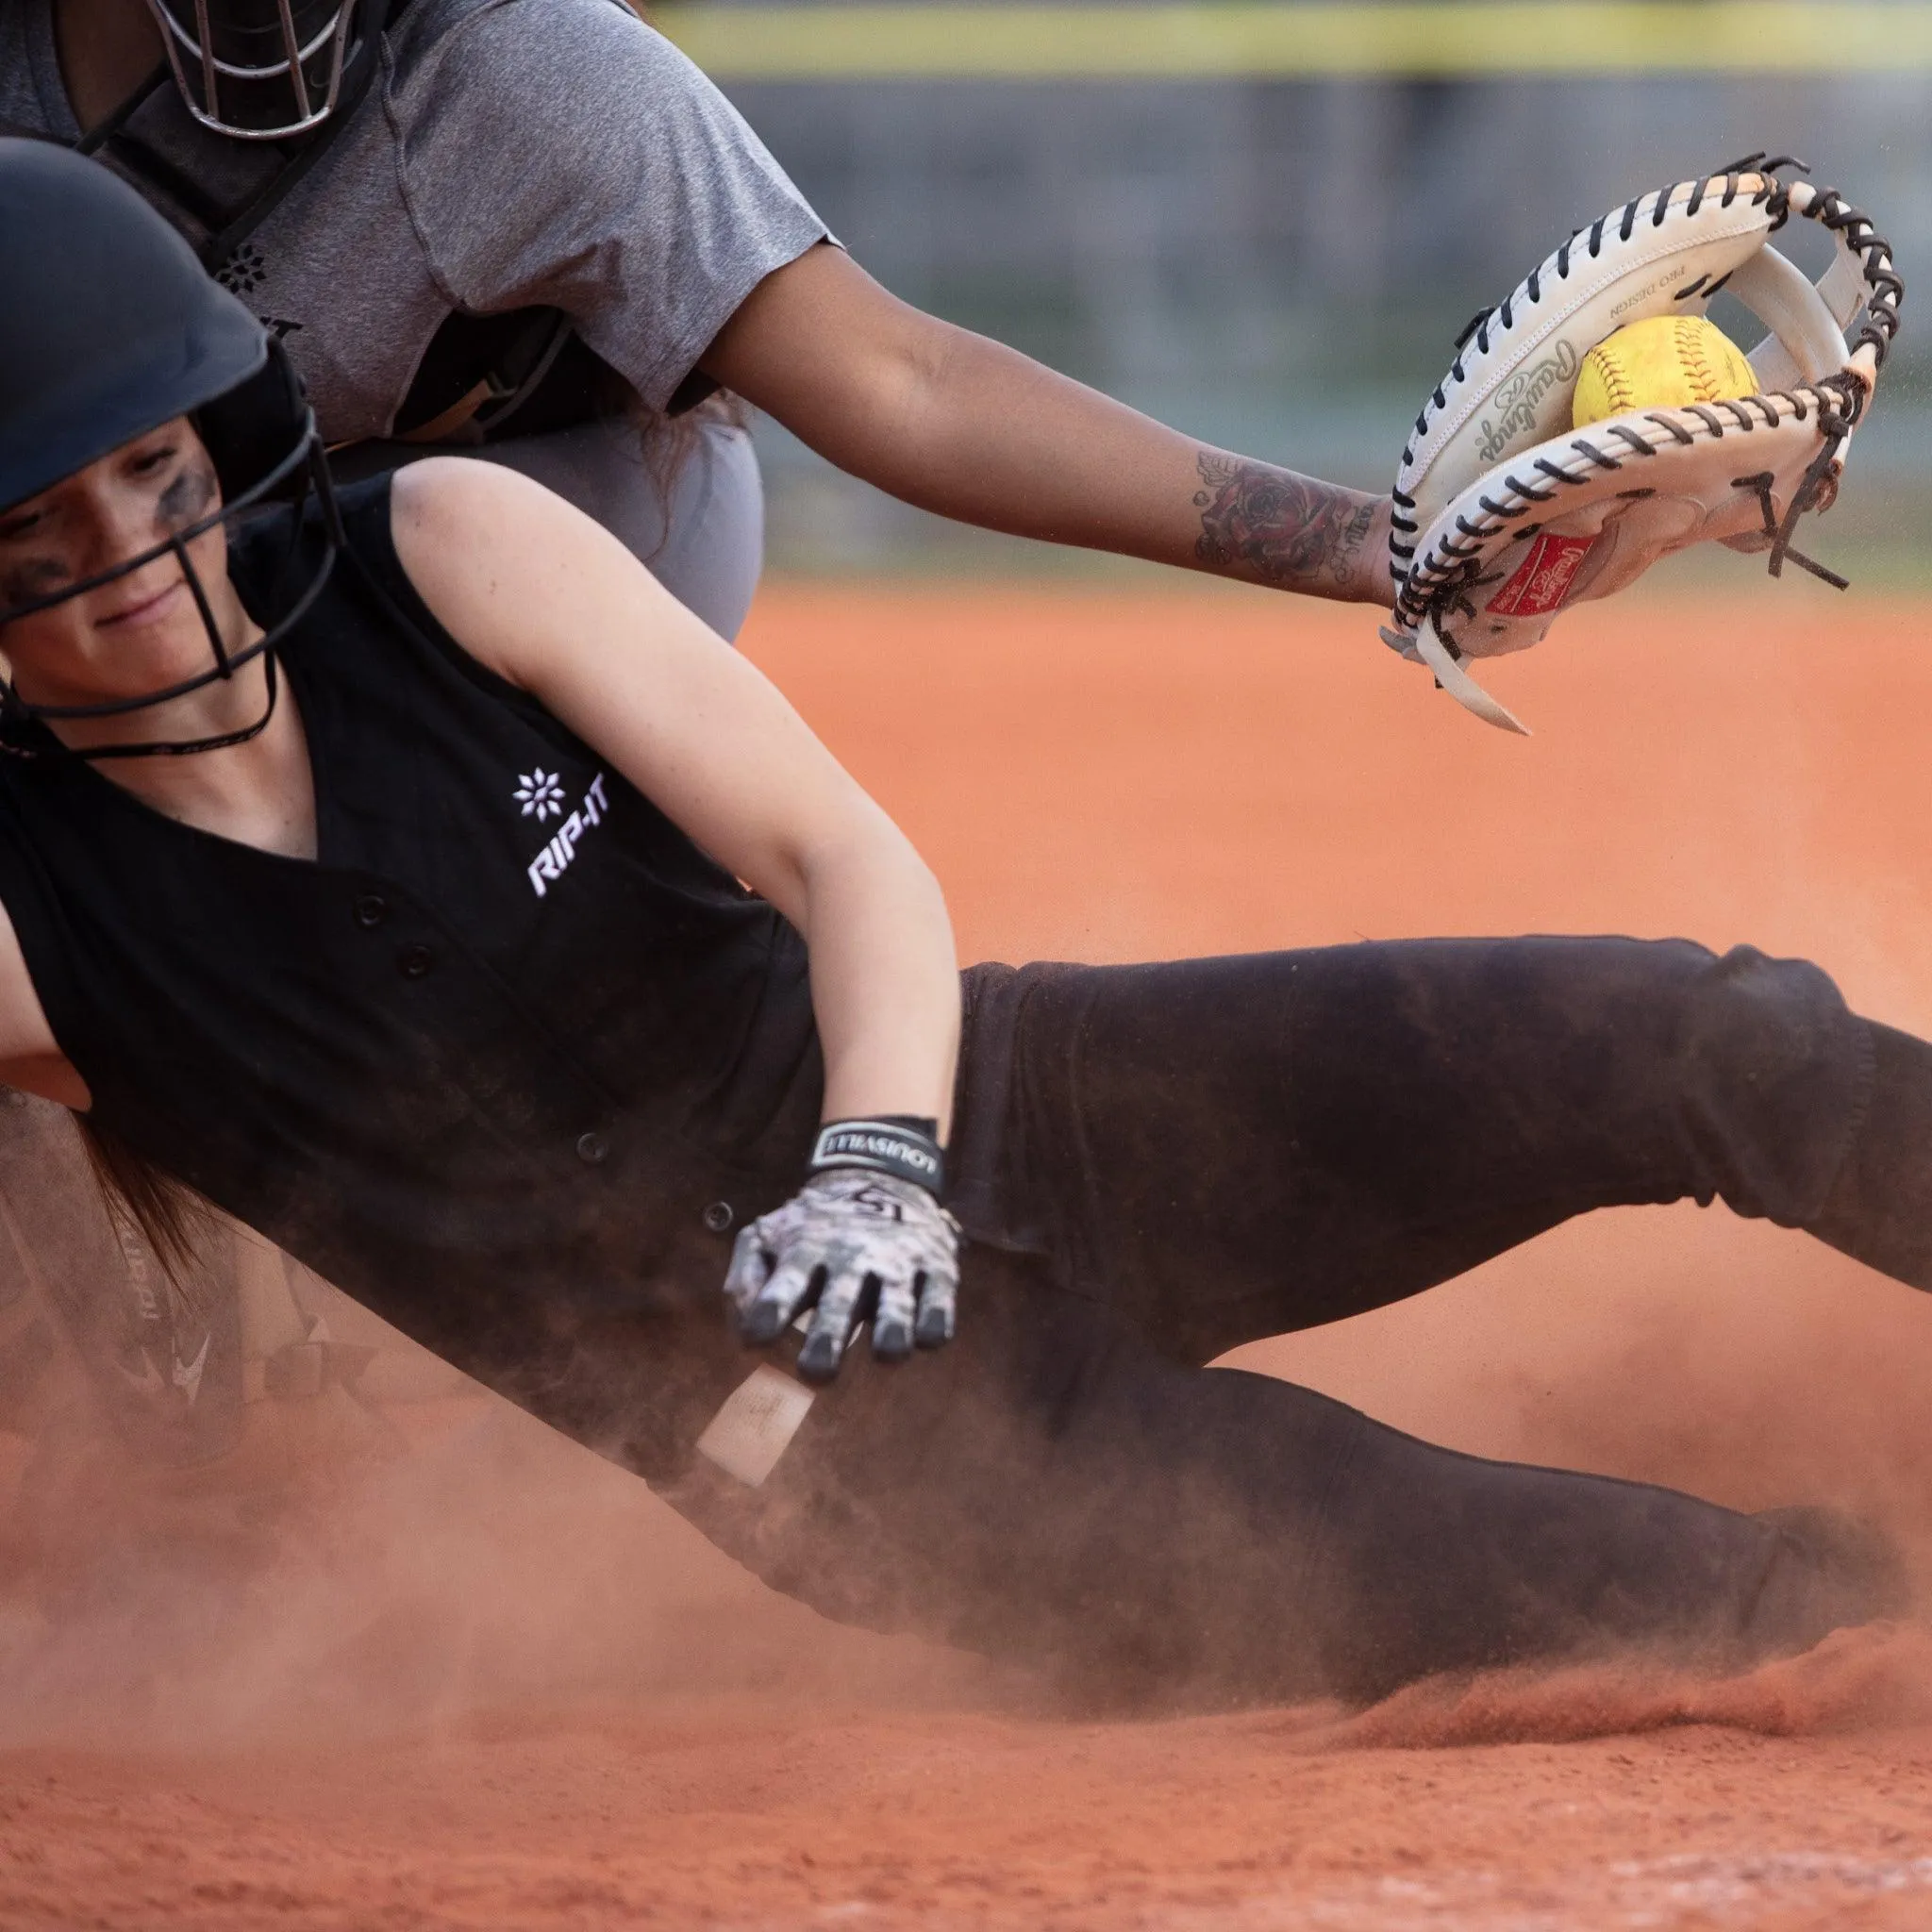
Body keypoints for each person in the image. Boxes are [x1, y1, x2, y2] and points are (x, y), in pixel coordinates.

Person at [0, 142, 1920, 1710]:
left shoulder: (441, 550)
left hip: (1019, 1105)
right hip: (894, 1469)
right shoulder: (34, 917)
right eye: (46, 548)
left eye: (158, 474)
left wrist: (874, 1164)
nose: (140, 567)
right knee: (1721, 1594)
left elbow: (847, 860)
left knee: (1711, 1036)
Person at [1, 0, 1396, 1467]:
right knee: (91, 901)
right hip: (120, 600)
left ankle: (645, 1296)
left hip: (545, 515)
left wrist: (1369, 543)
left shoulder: (516, 74)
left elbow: (900, 381)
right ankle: (123, 1432)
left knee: (438, 899)